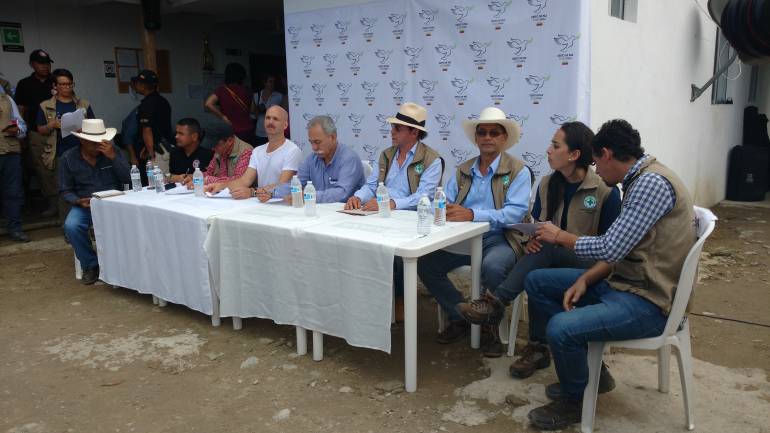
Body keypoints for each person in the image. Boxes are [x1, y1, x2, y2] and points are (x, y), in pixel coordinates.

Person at [520, 119, 697, 430]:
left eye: (595, 161)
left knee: (561, 327)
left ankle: (575, 399)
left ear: (606, 153)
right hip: (625, 284)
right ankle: (593, 376)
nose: (595, 169)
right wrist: (585, 279)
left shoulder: (650, 184)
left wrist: (561, 236)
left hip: (650, 301)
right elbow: (623, 251)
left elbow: (611, 247)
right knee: (537, 282)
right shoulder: (639, 179)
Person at [456, 121, 622, 360]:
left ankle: (496, 302)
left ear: (574, 155)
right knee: (536, 272)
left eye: (555, 146)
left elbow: (612, 252)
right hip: (551, 258)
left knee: (545, 250)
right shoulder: (547, 183)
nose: (548, 150)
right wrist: (531, 239)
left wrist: (551, 240)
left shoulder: (605, 192)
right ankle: (538, 346)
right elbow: (539, 224)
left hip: (591, 266)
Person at [416, 106, 530, 351]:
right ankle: (461, 315)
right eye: (482, 133)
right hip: (462, 237)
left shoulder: (519, 171)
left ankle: (490, 327)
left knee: (493, 266)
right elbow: (445, 199)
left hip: (499, 238)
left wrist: (472, 214)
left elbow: (515, 214)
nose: (487, 137)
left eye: (494, 133)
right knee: (425, 263)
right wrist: (444, 208)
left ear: (504, 138)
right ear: (476, 138)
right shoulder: (463, 170)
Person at [345, 102, 443, 321]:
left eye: (397, 128)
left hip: (410, 220)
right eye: (393, 127)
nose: (392, 132)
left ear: (414, 132)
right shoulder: (387, 154)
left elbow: (423, 197)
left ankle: (400, 299)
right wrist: (358, 197)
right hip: (381, 215)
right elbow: (372, 185)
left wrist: (392, 203)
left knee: (395, 254)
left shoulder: (432, 159)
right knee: (355, 241)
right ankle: (365, 297)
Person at [59, 119, 130, 285]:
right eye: (93, 143)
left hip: (115, 203)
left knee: (131, 222)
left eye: (101, 141)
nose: (98, 146)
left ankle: (124, 264)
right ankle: (91, 265)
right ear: (82, 140)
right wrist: (77, 201)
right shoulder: (68, 158)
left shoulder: (113, 151)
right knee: (72, 226)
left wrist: (113, 157)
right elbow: (64, 189)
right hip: (86, 204)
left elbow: (129, 179)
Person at [35, 69, 95, 218]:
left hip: (84, 151)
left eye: (70, 84)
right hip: (60, 153)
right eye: (63, 84)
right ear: (55, 86)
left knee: (88, 187)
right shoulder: (46, 105)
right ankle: (68, 226)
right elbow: (40, 129)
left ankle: (91, 224)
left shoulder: (83, 104)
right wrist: (51, 125)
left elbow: (94, 124)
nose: (67, 87)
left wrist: (85, 128)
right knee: (65, 191)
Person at [204, 106, 301, 199]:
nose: (270, 122)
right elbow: (244, 181)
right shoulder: (257, 151)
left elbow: (282, 185)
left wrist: (252, 192)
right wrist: (220, 186)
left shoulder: (292, 150)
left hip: (282, 204)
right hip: (261, 202)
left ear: (285, 125)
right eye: (267, 118)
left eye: (275, 119)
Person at [265, 115, 364, 204]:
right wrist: (271, 192)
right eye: (311, 142)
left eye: (317, 142)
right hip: (319, 212)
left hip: (345, 214)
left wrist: (309, 196)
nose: (314, 147)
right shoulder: (311, 159)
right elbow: (297, 185)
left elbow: (341, 193)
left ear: (333, 137)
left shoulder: (349, 158)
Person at [14, 49, 56, 217]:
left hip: (58, 131)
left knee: (62, 165)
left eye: (47, 63)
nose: (45, 67)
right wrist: (21, 135)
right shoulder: (25, 84)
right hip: (36, 133)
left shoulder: (56, 81)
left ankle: (65, 200)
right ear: (32, 64)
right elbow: (20, 111)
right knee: (43, 168)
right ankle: (53, 202)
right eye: (41, 63)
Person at [129, 70, 172, 185]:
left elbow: (147, 130)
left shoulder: (147, 104)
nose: (135, 86)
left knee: (158, 185)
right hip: (166, 148)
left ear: (142, 85)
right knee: (165, 183)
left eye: (137, 83)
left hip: (157, 152)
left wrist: (150, 152)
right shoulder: (163, 101)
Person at [0, 91, 30, 242]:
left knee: (13, 193)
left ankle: (15, 229)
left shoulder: (6, 99)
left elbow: (22, 126)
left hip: (10, 153)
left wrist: (17, 130)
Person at [205, 63, 254, 145]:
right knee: (246, 154)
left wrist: (223, 117)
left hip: (230, 130)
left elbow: (208, 103)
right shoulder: (247, 90)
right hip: (247, 130)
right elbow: (252, 110)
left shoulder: (222, 90)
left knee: (231, 155)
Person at [194, 120, 253, 186]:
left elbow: (239, 180)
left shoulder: (246, 152)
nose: (212, 148)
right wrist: (195, 177)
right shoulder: (219, 150)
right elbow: (209, 172)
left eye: (215, 145)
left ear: (230, 141)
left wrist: (208, 180)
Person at [168, 118, 213, 183]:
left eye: (181, 134)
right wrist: (174, 177)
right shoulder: (174, 152)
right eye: (176, 133)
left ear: (194, 136)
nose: (176, 136)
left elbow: (214, 176)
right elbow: (170, 175)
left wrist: (193, 177)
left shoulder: (208, 154)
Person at [251, 74, 283, 147]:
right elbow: (252, 114)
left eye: (274, 82)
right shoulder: (257, 95)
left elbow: (284, 113)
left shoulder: (279, 96)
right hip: (260, 131)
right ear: (264, 83)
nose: (273, 84)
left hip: (275, 132)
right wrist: (258, 110)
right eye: (270, 81)